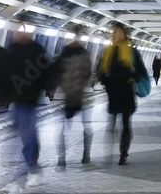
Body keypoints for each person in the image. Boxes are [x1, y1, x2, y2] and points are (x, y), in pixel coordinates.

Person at [8, 17, 50, 186]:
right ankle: (30, 163)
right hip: (17, 99)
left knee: (27, 133)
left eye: (17, 30)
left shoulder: (36, 49)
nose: (14, 33)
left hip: (28, 99)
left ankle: (32, 165)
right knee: (24, 132)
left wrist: (36, 91)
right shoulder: (12, 49)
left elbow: (44, 72)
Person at [98, 23, 147, 165]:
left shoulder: (132, 52)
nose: (117, 35)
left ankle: (123, 153)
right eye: (115, 32)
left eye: (119, 32)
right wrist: (104, 81)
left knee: (125, 123)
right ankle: (109, 152)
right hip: (112, 93)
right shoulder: (107, 51)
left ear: (125, 34)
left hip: (126, 93)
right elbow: (100, 69)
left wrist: (133, 78)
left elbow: (141, 70)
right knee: (111, 124)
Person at [53, 27, 93, 168]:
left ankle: (63, 159)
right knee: (84, 128)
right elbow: (87, 73)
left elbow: (57, 71)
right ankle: (83, 155)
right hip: (76, 95)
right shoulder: (84, 53)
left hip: (74, 95)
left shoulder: (66, 52)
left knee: (64, 129)